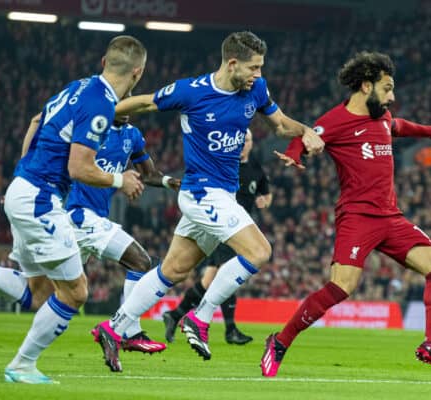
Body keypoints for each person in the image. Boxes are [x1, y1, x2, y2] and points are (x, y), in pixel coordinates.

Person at [92, 30, 324, 372]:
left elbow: (279, 124)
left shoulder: (256, 89)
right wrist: (100, 116)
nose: (259, 75)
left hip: (222, 194)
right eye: (253, 68)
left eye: (261, 67)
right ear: (232, 64)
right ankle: (199, 317)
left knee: (174, 269)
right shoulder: (191, 91)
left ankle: (114, 326)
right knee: (259, 251)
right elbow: (144, 102)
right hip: (202, 192)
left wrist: (306, 131)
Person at [260, 51, 431, 377]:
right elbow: (307, 135)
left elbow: (398, 126)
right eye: (387, 87)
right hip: (357, 218)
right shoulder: (336, 120)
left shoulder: (381, 116)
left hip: (391, 218)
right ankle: (280, 341)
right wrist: (296, 154)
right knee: (341, 288)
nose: (392, 96)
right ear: (366, 86)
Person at [0, 35, 147, 384]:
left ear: (104, 61)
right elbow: (79, 169)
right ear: (138, 72)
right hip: (40, 199)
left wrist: (21, 176)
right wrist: (121, 181)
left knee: (36, 292)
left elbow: (36, 123)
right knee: (75, 292)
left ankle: (22, 365)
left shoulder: (76, 87)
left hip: (27, 190)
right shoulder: (101, 103)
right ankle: (22, 366)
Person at [0, 112, 179, 354]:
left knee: (41, 292)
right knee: (140, 261)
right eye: (123, 99)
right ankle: (128, 331)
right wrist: (27, 179)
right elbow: (38, 124)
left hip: (89, 219)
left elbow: (149, 173)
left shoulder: (131, 135)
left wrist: (169, 182)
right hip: (78, 214)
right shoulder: (89, 126)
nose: (127, 107)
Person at [162, 129, 271, 345]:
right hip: (223, 225)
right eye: (240, 140)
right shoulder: (226, 165)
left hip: (237, 228)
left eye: (247, 140)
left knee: (210, 279)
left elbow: (266, 193)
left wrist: (265, 201)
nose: (243, 144)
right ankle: (229, 329)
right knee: (224, 274)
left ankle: (175, 315)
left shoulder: (256, 168)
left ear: (251, 143)